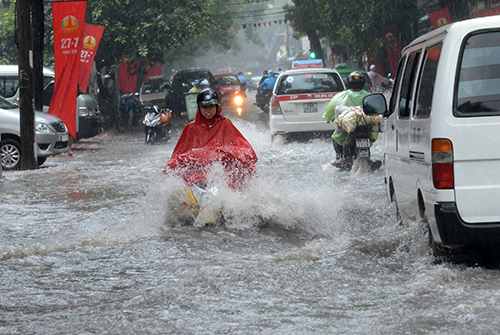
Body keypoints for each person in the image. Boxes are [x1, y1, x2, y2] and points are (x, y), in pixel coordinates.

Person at [163, 88, 257, 188]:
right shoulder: (190, 128)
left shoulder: (225, 123)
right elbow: (179, 154)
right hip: (198, 172)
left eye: (211, 106)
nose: (208, 110)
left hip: (221, 168)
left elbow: (241, 146)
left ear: (217, 107)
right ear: (199, 108)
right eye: (204, 107)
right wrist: (197, 156)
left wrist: (220, 154)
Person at [323, 71, 380, 170]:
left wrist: (329, 118)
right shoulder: (369, 97)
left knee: (336, 137)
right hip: (366, 130)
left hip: (346, 133)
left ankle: (339, 158)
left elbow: (328, 113)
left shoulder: (339, 97)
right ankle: (368, 160)